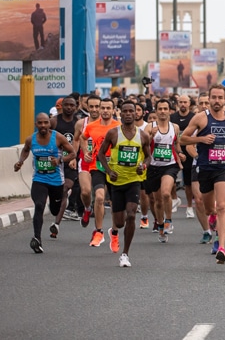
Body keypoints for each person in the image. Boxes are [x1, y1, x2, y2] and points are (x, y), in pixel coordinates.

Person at [179, 84, 225, 264]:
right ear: (209, 99)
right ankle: (212, 222)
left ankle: (222, 247)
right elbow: (183, 139)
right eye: (214, 97)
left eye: (220, 98)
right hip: (205, 168)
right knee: (210, 208)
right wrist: (201, 139)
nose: (217, 101)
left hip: (224, 167)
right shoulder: (201, 118)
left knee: (222, 206)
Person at [97, 100, 151, 267]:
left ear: (136, 114)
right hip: (116, 181)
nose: (128, 114)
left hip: (134, 180)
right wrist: (108, 171)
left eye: (131, 111)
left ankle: (125, 254)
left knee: (132, 214)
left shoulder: (143, 136)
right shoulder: (113, 133)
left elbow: (149, 156)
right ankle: (114, 231)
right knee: (119, 222)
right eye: (125, 111)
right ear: (120, 113)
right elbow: (100, 154)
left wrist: (144, 166)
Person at [13, 112, 74, 252]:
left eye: (45, 122)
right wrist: (20, 162)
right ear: (36, 124)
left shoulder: (58, 137)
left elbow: (72, 153)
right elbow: (25, 150)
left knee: (54, 210)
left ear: (49, 123)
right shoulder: (31, 139)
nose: (43, 125)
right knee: (39, 205)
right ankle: (37, 239)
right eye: (40, 123)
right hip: (39, 178)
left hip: (56, 180)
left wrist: (59, 160)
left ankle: (63, 200)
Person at [77, 95, 114, 247]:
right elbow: (78, 138)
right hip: (88, 162)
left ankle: (111, 230)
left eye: (97, 106)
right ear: (86, 106)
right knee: (86, 192)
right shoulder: (83, 123)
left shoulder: (115, 125)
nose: (94, 109)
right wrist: (81, 153)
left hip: (107, 164)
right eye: (90, 106)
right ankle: (87, 209)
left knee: (104, 197)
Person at [143, 98, 181, 242]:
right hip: (153, 167)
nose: (163, 112)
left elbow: (176, 145)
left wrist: (180, 154)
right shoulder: (149, 126)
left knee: (166, 193)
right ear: (156, 110)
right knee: (157, 200)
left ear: (170, 111)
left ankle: (169, 220)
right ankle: (160, 227)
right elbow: (143, 145)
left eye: (165, 109)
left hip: (169, 166)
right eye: (160, 109)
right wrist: (150, 136)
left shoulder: (175, 127)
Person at [49, 96, 81, 224]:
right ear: (61, 106)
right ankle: (55, 203)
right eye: (66, 105)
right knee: (56, 191)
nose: (69, 107)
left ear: (76, 107)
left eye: (72, 105)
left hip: (70, 161)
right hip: (55, 162)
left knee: (66, 187)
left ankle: (56, 223)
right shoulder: (54, 121)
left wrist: (76, 157)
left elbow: (80, 140)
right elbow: (43, 135)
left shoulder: (78, 123)